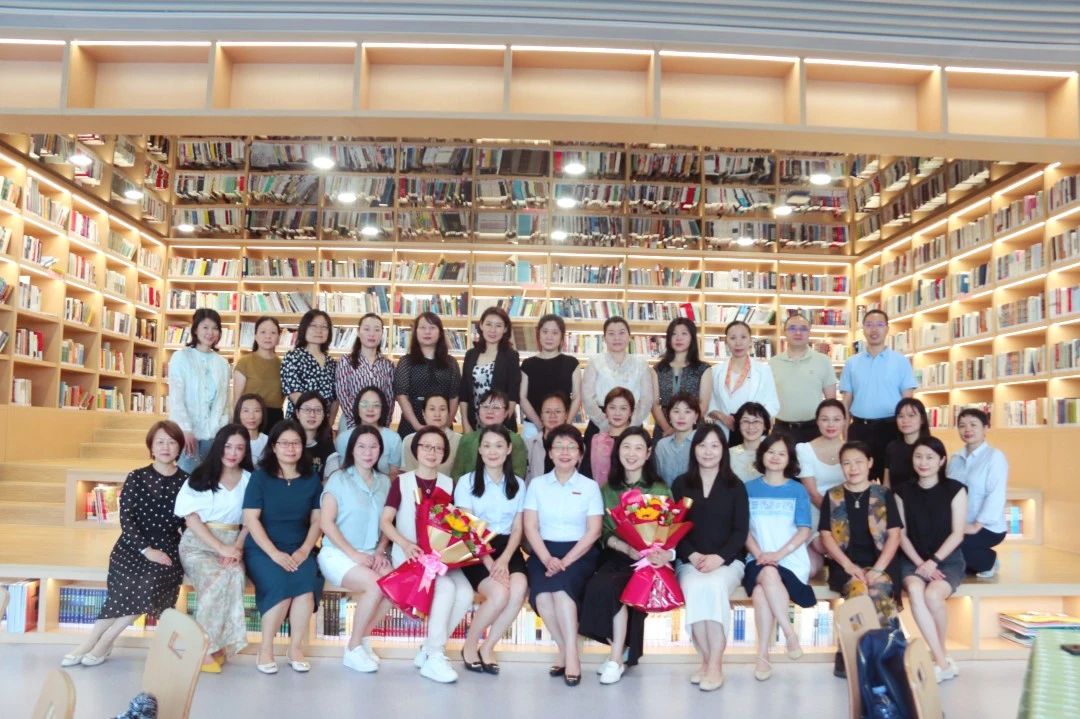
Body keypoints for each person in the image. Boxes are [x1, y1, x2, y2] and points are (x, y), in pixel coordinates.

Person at [61, 421, 188, 668]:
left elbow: (188, 522)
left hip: (167, 548)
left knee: (149, 582)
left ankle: (105, 640)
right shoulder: (136, 477)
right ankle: (92, 641)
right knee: (126, 583)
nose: (165, 447)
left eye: (172, 442)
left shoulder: (187, 481)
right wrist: (146, 550)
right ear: (151, 446)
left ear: (179, 447)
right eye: (160, 442)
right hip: (133, 545)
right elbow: (126, 519)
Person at [379, 426, 472, 684]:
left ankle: (429, 649)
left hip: (441, 558)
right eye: (426, 447)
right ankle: (435, 655)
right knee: (446, 589)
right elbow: (385, 521)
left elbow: (455, 525)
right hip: (410, 556)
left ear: (444, 453)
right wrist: (405, 544)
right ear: (416, 450)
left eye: (438, 448)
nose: (432, 452)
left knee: (466, 593)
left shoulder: (449, 484)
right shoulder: (401, 482)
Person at [580, 427, 673, 684]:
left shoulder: (659, 488)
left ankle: (615, 659)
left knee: (616, 588)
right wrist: (628, 549)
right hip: (618, 554)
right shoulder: (607, 489)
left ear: (648, 453)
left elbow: (670, 527)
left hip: (652, 559)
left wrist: (655, 552)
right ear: (617, 451)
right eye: (626, 447)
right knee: (597, 585)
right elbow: (603, 532)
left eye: (638, 448)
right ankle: (619, 652)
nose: (632, 454)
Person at [523, 424, 603, 687]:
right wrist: (547, 559)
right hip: (543, 551)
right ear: (549, 453)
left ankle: (571, 658)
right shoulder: (537, 485)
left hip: (579, 553)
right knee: (542, 597)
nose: (565, 452)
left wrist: (565, 561)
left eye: (571, 447)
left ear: (580, 454)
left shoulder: (590, 486)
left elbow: (594, 531)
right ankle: (567, 650)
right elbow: (530, 527)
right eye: (558, 447)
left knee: (561, 593)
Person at [672, 424, 750, 692]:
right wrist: (692, 555)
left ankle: (715, 664)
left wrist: (720, 558)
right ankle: (706, 660)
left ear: (723, 450)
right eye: (702, 445)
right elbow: (674, 528)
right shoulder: (681, 484)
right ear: (694, 449)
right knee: (695, 587)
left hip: (728, 561)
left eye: (715, 445)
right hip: (690, 560)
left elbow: (740, 531)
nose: (708, 451)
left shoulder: (735, 486)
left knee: (714, 586)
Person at [243, 420, 323, 675]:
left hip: (299, 547)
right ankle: (265, 649)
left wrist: (304, 550)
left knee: (305, 588)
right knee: (280, 585)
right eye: (284, 443)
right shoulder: (260, 477)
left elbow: (317, 521)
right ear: (274, 447)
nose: (290, 448)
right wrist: (274, 554)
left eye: (296, 443)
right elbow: (251, 519)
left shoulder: (311, 479)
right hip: (263, 549)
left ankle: (295, 648)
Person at [818, 441, 902, 678]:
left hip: (881, 564)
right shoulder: (833, 495)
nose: (853, 468)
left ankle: (888, 658)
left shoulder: (883, 494)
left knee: (879, 591)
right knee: (858, 592)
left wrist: (877, 569)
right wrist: (848, 565)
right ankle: (849, 655)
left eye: (858, 462)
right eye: (847, 463)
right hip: (845, 565)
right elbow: (826, 535)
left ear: (870, 463)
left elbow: (895, 535)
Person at [174, 424, 252, 673]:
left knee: (235, 574)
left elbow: (251, 521)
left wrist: (236, 548)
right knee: (216, 577)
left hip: (233, 542)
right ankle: (202, 647)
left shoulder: (251, 479)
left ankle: (218, 645)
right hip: (198, 544)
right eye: (228, 446)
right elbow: (191, 520)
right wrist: (220, 548)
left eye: (239, 448)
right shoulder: (200, 476)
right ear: (219, 447)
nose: (233, 453)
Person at [454, 425, 528, 675]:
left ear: (508, 449)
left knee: (518, 590)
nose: (492, 451)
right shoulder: (466, 482)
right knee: (499, 594)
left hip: (508, 548)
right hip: (476, 549)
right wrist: (490, 563)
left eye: (498, 445)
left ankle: (488, 647)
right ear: (479, 450)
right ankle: (469, 645)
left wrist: (504, 560)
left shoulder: (518, 484)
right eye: (486, 446)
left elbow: (517, 527)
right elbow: (467, 528)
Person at [319, 425, 393, 674]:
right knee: (375, 585)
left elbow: (387, 523)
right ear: (352, 449)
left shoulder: (385, 482)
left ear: (380, 450)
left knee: (395, 587)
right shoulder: (338, 479)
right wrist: (354, 555)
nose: (368, 452)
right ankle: (352, 649)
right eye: (361, 446)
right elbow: (326, 523)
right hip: (338, 553)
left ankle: (362, 639)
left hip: (372, 553)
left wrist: (381, 551)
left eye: (373, 446)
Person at [742, 433, 816, 682]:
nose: (775, 457)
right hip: (757, 557)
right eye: (771, 452)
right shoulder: (748, 489)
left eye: (781, 453)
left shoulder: (797, 490)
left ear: (789, 459)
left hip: (791, 558)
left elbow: (804, 530)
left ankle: (763, 655)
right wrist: (761, 555)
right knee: (768, 572)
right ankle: (789, 633)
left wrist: (777, 555)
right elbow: (743, 531)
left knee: (761, 590)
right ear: (762, 455)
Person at [895, 436, 967, 683]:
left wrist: (933, 562)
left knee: (933, 595)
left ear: (942, 460)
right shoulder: (902, 491)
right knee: (916, 591)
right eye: (918, 457)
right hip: (912, 559)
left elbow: (958, 534)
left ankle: (940, 656)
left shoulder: (956, 489)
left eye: (929, 457)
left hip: (947, 559)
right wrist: (920, 564)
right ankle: (942, 661)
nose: (923, 462)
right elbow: (901, 535)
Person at [839, 310, 917, 481]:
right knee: (858, 478)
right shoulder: (852, 363)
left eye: (879, 325)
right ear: (863, 330)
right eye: (869, 325)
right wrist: (844, 433)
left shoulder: (900, 361)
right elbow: (846, 401)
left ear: (887, 329)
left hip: (891, 428)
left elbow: (907, 401)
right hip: (860, 429)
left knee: (892, 478)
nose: (874, 330)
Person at [946, 408, 1008, 578]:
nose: (967, 429)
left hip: (987, 527)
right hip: (959, 524)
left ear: (985, 428)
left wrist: (976, 526)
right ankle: (968, 563)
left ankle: (989, 561)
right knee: (938, 544)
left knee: (955, 546)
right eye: (962, 425)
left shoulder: (994, 457)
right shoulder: (955, 459)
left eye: (973, 425)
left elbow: (996, 495)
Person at [169, 308, 230, 472]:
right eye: (205, 327)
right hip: (189, 434)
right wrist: (185, 429)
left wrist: (221, 431)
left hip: (214, 434)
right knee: (186, 478)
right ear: (195, 329)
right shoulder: (181, 357)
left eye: (215, 328)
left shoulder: (223, 363)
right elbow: (176, 398)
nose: (210, 332)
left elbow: (224, 401)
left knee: (212, 479)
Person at [700, 320, 779, 442]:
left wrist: (752, 420)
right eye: (733, 338)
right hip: (724, 430)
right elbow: (708, 403)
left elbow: (772, 403)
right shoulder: (715, 371)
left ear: (750, 341)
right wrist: (720, 416)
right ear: (726, 342)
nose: (738, 343)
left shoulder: (764, 370)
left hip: (753, 431)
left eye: (743, 337)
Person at [581, 317, 654, 448]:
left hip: (633, 422)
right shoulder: (595, 362)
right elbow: (587, 398)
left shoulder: (641, 363)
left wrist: (631, 424)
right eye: (611, 333)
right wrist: (604, 423)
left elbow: (647, 399)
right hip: (600, 422)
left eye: (621, 333)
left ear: (629, 336)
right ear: (604, 338)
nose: (617, 338)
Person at [796, 399, 848, 577]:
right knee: (821, 549)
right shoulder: (804, 449)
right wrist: (833, 516)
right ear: (817, 421)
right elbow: (812, 493)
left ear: (845, 421)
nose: (831, 424)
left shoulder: (851, 450)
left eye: (836, 419)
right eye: (825, 419)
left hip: (846, 513)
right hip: (816, 511)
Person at [769, 314, 838, 443]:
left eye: (803, 328)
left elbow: (831, 402)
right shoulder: (773, 363)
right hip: (782, 429)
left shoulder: (823, 361)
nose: (798, 332)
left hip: (814, 429)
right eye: (792, 328)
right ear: (784, 332)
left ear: (809, 332)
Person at [393, 311, 462, 439]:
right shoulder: (406, 362)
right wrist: (417, 425)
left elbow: (454, 397)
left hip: (442, 427)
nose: (427, 332)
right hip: (411, 427)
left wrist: (446, 425)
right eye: (423, 327)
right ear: (416, 332)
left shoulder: (451, 363)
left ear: (440, 333)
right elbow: (402, 396)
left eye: (432, 328)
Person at [460, 306, 522, 432]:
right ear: (481, 325)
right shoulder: (471, 354)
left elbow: (513, 395)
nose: (493, 330)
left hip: (500, 425)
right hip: (474, 422)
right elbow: (464, 393)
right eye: (488, 324)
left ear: (505, 329)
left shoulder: (511, 356)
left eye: (498, 326)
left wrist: (501, 425)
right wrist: (465, 423)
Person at [520, 314, 581, 438]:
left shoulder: (572, 363)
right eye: (545, 332)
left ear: (562, 337)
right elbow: (522, 397)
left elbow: (577, 397)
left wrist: (566, 425)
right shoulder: (527, 364)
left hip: (563, 427)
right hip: (533, 427)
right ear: (539, 335)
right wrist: (540, 426)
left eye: (555, 333)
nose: (549, 337)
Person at [336, 313, 395, 440]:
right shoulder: (346, 361)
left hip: (378, 424)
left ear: (382, 334)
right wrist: (358, 422)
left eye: (377, 330)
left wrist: (384, 424)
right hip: (350, 423)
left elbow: (389, 399)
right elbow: (342, 394)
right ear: (358, 332)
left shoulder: (387, 364)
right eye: (367, 329)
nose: (372, 334)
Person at [451, 390, 527, 480]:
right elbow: (456, 474)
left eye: (496, 407)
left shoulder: (515, 440)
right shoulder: (467, 439)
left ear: (506, 413)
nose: (490, 411)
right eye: (485, 406)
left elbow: (518, 475)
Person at [652, 318, 710, 436]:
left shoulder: (703, 369)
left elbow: (703, 405)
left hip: (693, 430)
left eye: (684, 333)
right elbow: (655, 405)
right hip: (663, 430)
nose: (679, 338)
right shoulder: (658, 369)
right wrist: (668, 429)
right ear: (669, 339)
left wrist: (679, 429)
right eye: (674, 334)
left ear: (692, 338)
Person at [281, 309, 338, 423]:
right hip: (299, 422)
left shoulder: (332, 363)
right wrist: (313, 417)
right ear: (304, 328)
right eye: (313, 325)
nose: (319, 330)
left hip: (324, 424)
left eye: (324, 327)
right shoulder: (293, 357)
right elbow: (294, 393)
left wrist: (329, 423)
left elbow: (336, 398)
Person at [334, 386, 403, 479]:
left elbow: (394, 474)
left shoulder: (393, 439)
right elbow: (341, 472)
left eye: (376, 405)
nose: (370, 409)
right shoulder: (343, 438)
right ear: (357, 407)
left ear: (382, 409)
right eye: (364, 404)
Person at [234, 315, 284, 431]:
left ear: (278, 337)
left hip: (275, 418)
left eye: (273, 332)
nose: (268, 336)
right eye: (263, 332)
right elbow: (237, 400)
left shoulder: (284, 365)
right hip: (250, 418)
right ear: (255, 336)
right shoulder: (244, 362)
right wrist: (236, 424)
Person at [401, 393, 461, 476]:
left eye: (442, 409)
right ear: (423, 413)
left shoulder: (459, 440)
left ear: (448, 413)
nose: (437, 414)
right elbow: (407, 476)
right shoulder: (409, 441)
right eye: (432, 409)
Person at [588, 387, 634, 487]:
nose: (617, 413)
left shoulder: (637, 441)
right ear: (605, 411)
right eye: (612, 407)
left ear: (631, 412)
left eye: (623, 408)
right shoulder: (596, 440)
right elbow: (587, 475)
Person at [884, 398, 932, 491]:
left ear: (922, 419)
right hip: (895, 499)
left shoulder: (931, 447)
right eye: (900, 416)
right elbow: (886, 484)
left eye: (911, 415)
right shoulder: (892, 447)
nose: (905, 420)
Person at [654, 392, 700, 487]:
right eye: (676, 411)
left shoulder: (702, 444)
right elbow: (659, 480)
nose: (681, 417)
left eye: (687, 412)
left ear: (695, 417)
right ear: (669, 416)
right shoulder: (662, 446)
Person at [525, 392, 570, 481]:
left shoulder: (576, 445)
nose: (552, 415)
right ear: (541, 415)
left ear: (566, 415)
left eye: (558, 411)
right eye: (547, 412)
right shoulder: (530, 445)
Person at [294, 391, 335, 479]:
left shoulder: (328, 445)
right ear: (297, 413)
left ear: (324, 415)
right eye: (307, 410)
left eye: (317, 410)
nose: (312, 415)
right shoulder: (288, 442)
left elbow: (332, 479)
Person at [728, 402, 772, 483]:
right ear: (739, 425)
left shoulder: (772, 454)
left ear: (765, 426)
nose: (751, 426)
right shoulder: (728, 454)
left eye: (756, 421)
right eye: (745, 421)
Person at [234, 393, 268, 464]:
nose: (251, 416)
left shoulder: (268, 441)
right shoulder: (231, 440)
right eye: (246, 411)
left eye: (256, 411)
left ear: (263, 414)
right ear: (238, 414)